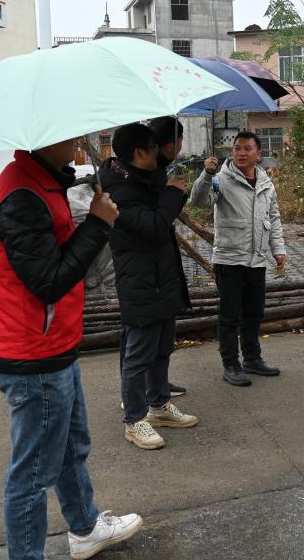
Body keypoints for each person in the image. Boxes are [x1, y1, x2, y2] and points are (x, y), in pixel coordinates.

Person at [0, 140, 142, 560]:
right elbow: (49, 281)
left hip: (52, 344)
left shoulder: (44, 181)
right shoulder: (21, 196)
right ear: (44, 137)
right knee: (34, 472)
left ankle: (85, 527)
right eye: (68, 134)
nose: (76, 139)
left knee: (71, 447)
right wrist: (98, 225)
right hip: (32, 354)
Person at [99, 123, 197, 452]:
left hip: (160, 275)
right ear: (138, 152)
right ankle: (135, 419)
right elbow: (154, 225)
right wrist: (172, 193)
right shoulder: (118, 189)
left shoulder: (140, 174)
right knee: (138, 355)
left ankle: (159, 404)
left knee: (162, 347)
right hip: (140, 280)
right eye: (154, 147)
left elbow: (161, 213)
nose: (160, 152)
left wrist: (170, 190)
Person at [190, 131, 286, 386]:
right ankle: (230, 364)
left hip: (257, 259)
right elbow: (198, 201)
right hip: (229, 259)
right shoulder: (220, 178)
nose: (241, 153)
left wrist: (279, 249)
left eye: (247, 148)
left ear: (258, 154)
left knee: (254, 313)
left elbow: (273, 218)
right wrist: (206, 174)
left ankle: (252, 359)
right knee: (230, 316)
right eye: (237, 148)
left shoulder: (266, 182)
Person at [147, 115, 190, 399]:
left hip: (160, 263)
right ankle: (145, 395)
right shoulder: (148, 172)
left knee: (162, 335)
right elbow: (157, 222)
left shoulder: (158, 168)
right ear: (173, 144)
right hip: (148, 268)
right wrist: (173, 192)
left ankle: (157, 383)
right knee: (146, 338)